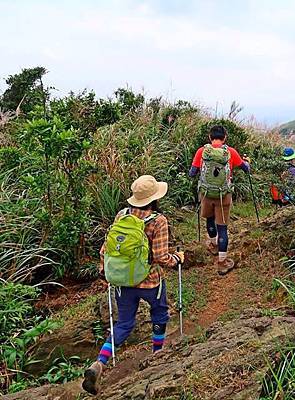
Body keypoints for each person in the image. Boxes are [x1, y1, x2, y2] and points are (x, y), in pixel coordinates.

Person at [82, 175, 185, 395]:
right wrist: (177, 258)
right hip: (150, 283)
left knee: (124, 324)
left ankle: (100, 362)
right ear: (155, 198)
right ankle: (158, 355)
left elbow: (105, 250)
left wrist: (106, 271)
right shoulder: (158, 221)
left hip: (123, 282)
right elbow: (160, 257)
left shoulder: (122, 215)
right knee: (159, 314)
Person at [189, 125, 250, 275]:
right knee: (222, 227)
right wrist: (247, 162)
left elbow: (192, 173)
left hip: (206, 193)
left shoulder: (202, 151)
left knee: (209, 219)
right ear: (225, 137)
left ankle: (214, 244)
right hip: (224, 195)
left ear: (210, 137)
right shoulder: (230, 152)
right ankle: (222, 262)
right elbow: (245, 168)